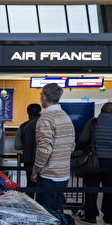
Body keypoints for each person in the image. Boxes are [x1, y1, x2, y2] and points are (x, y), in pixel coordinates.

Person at [77, 102, 112, 224]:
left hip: (95, 161)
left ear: (101, 110)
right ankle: (109, 217)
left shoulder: (93, 123)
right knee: (111, 190)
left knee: (91, 188)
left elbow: (82, 140)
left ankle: (91, 216)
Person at [31, 83, 75, 213]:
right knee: (57, 211)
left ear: (44, 96)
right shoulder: (65, 116)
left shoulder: (46, 119)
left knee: (46, 214)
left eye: (41, 94)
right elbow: (72, 145)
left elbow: (44, 149)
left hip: (48, 175)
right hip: (63, 173)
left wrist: (35, 170)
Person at [14, 103, 42, 196]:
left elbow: (17, 146)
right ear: (40, 113)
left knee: (30, 186)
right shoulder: (46, 124)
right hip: (44, 161)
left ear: (28, 113)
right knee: (43, 187)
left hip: (29, 160)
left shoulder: (23, 126)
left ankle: (29, 208)